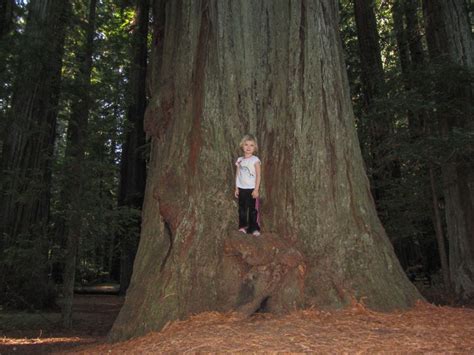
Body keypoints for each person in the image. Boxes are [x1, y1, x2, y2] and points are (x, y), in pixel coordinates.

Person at [234, 134, 261, 236]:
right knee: (242, 209)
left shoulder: (255, 160)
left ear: (255, 148)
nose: (248, 147)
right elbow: (237, 174)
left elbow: (258, 175)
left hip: (251, 189)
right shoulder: (240, 160)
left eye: (251, 145)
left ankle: (254, 228)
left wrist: (256, 189)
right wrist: (236, 188)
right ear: (242, 146)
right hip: (242, 189)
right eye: (246, 145)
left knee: (253, 210)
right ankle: (243, 227)